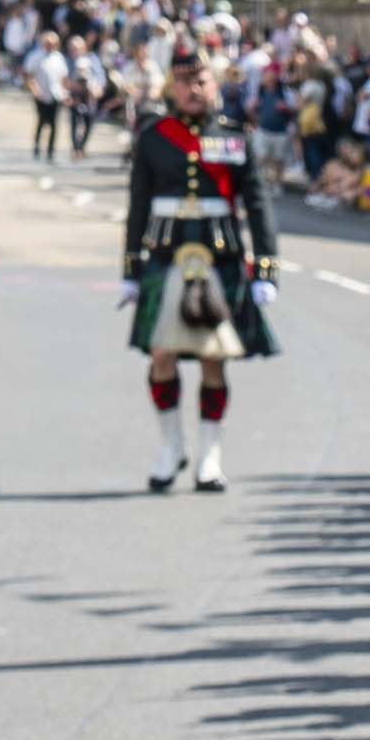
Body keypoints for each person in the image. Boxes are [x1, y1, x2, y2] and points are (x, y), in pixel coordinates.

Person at [119, 56, 276, 488]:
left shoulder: (234, 137)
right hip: (166, 257)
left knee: (213, 359)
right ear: (172, 88)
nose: (193, 90)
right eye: (184, 83)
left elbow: (258, 206)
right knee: (161, 355)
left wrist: (266, 269)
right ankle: (171, 448)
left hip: (218, 257)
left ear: (215, 85)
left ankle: (211, 456)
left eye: (201, 82)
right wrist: (131, 268)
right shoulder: (154, 139)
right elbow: (138, 207)